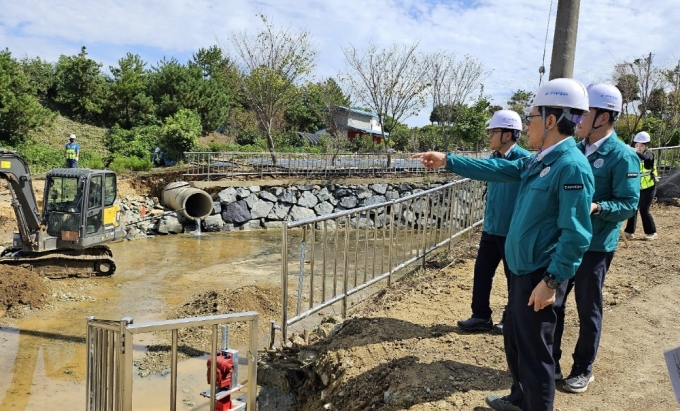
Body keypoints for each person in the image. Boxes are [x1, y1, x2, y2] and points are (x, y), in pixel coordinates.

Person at [413, 78, 594, 411]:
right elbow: (495, 168)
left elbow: (577, 234)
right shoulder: (541, 160)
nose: (527, 126)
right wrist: (448, 160)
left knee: (537, 357)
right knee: (516, 341)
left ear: (551, 121)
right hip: (523, 269)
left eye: (533, 118)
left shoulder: (570, 166)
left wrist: (551, 281)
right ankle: (518, 398)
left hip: (540, 274)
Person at [552, 83, 640, 394]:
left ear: (602, 117)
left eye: (582, 114)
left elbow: (629, 205)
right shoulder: (574, 150)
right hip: (566, 242)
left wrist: (597, 207)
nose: (576, 120)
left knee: (587, 307)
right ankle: (552, 363)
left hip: (596, 245)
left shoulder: (624, 157)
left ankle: (583, 369)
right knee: (554, 302)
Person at [457, 110, 531, 333]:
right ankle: (480, 317)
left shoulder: (525, 161)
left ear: (507, 135)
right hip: (491, 228)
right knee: (482, 274)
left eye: (493, 131)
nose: (488, 136)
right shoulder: (492, 160)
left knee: (513, 279)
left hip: (513, 232)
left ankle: (510, 319)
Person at [624, 131, 658, 240]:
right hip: (637, 187)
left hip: (649, 187)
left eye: (641, 145)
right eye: (637, 145)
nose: (638, 147)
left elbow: (645, 158)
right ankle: (629, 232)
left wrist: (632, 150)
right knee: (633, 208)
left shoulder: (650, 154)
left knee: (644, 210)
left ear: (646, 146)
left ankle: (651, 232)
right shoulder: (634, 155)